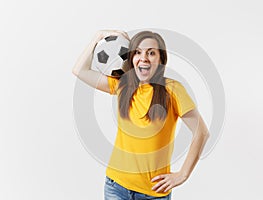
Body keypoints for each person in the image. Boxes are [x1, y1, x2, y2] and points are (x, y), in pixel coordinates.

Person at [72, 30, 210, 200]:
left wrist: (182, 175)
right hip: (116, 187)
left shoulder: (173, 90)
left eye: (151, 53)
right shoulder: (123, 85)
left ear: (161, 59)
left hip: (153, 193)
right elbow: (80, 70)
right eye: (138, 52)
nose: (143, 58)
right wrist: (98, 36)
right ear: (131, 58)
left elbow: (201, 132)